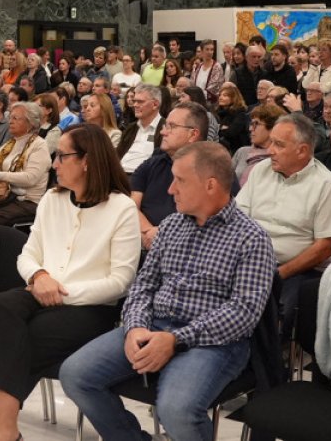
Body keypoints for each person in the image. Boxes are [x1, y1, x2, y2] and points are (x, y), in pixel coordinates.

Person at [60, 142, 276, 441]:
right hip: (154, 326)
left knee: (176, 410)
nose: (171, 189)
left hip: (213, 343)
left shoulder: (252, 238)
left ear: (210, 185)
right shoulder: (172, 226)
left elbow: (243, 313)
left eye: (180, 181)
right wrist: (135, 326)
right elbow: (144, 284)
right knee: (75, 375)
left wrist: (175, 340)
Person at [0, 124, 141, 441]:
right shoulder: (53, 200)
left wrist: (59, 293)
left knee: (5, 342)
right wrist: (39, 277)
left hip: (89, 308)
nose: (54, 164)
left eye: (61, 156)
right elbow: (27, 255)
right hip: (39, 290)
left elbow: (120, 282)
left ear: (87, 161)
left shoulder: (121, 208)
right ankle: (5, 433)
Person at [236, 112, 331, 336]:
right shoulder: (261, 170)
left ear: (302, 150)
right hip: (251, 262)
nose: (270, 150)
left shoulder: (326, 184)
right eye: (271, 142)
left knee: (276, 312)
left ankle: (269, 363)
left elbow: (324, 246)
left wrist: (279, 273)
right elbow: (238, 219)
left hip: (297, 269)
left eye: (278, 144)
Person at [133, 102, 209, 251]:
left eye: (171, 126)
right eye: (165, 126)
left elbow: (209, 220)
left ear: (193, 134)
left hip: (188, 251)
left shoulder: (212, 170)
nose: (163, 132)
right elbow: (131, 205)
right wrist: (149, 233)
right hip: (143, 243)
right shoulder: (152, 164)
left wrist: (161, 234)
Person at [0, 101, 50, 226]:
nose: (10, 121)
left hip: (27, 201)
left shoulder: (39, 145)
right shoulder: (8, 144)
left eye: (16, 118)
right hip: (4, 195)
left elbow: (30, 178)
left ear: (31, 122)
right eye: (10, 117)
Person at [117, 83, 165, 174]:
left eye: (140, 102)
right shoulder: (131, 128)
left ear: (155, 104)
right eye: (134, 101)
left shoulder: (165, 129)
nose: (135, 105)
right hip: (120, 175)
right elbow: (117, 155)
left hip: (145, 178)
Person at [232, 104, 283, 187]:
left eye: (256, 124)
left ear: (273, 127)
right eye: (251, 124)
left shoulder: (278, 159)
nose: (250, 129)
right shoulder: (242, 152)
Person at [215, 81, 250, 153]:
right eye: (220, 95)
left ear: (234, 98)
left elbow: (231, 133)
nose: (221, 98)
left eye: (225, 95)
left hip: (235, 149)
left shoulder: (240, 113)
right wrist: (222, 128)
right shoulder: (218, 113)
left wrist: (220, 129)